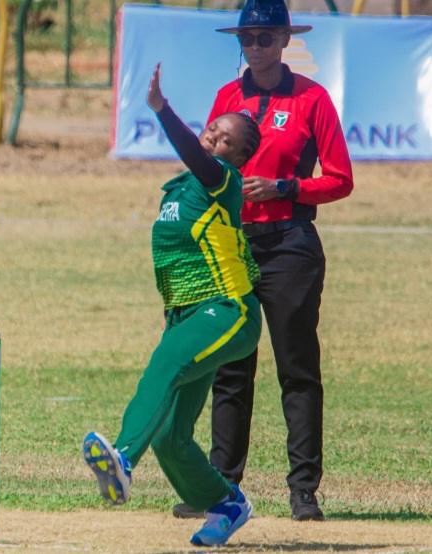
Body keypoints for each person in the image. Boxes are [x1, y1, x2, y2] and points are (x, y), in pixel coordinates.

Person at [172, 0, 354, 522]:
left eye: (266, 38)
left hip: (290, 244)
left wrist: (285, 187)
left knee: (297, 368)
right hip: (234, 245)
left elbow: (340, 179)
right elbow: (207, 164)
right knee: (230, 367)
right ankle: (222, 487)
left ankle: (304, 491)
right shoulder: (228, 96)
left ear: (284, 40)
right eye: (247, 39)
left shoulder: (311, 98)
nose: (256, 47)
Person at [82, 63, 263, 547]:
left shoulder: (223, 180)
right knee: (171, 436)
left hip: (229, 311)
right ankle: (226, 503)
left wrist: (162, 110)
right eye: (212, 130)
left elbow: (196, 155)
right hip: (187, 314)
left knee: (164, 363)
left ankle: (121, 458)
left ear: (240, 157)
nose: (212, 139)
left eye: (225, 139)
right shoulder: (179, 188)